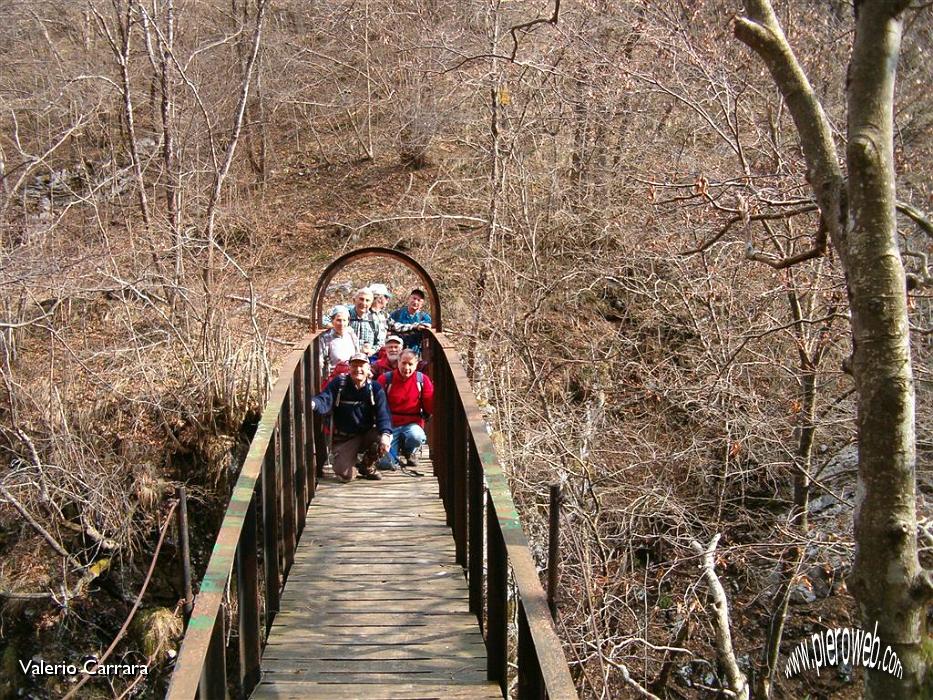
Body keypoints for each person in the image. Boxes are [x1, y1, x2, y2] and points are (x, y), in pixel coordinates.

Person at [310, 353, 392, 482]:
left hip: (366, 434)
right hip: (344, 437)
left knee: (380, 437)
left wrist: (386, 435)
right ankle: (351, 462)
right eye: (354, 366)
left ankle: (367, 465)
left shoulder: (375, 388)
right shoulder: (339, 383)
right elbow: (325, 399)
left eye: (362, 366)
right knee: (345, 475)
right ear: (349, 368)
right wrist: (313, 403)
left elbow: (383, 413)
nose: (358, 369)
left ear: (368, 368)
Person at [377, 349, 434, 469]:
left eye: (410, 364)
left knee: (416, 436)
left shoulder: (422, 380)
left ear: (416, 364)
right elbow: (378, 406)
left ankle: (409, 451)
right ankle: (394, 452)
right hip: (390, 426)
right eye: (403, 363)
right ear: (398, 362)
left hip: (412, 423)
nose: (406, 367)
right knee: (386, 464)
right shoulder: (385, 379)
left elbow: (430, 406)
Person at [320, 306, 360, 378]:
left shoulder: (352, 335)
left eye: (344, 320)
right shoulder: (326, 338)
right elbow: (320, 361)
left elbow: (357, 354)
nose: (342, 324)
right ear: (332, 321)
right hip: (334, 377)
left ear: (348, 321)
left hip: (352, 375)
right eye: (338, 320)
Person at [389, 289, 432, 354]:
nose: (415, 302)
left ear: (422, 304)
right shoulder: (397, 314)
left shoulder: (424, 317)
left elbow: (429, 326)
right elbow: (389, 326)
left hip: (415, 352)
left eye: (419, 300)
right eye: (414, 298)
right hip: (397, 351)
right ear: (409, 299)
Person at [347, 287, 382, 354]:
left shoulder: (375, 319)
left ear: (371, 303)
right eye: (361, 299)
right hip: (347, 356)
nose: (364, 303)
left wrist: (372, 351)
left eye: (367, 300)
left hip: (366, 358)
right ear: (354, 300)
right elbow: (325, 320)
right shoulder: (346, 315)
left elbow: (380, 342)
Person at [368, 283, 391, 354]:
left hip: (381, 354)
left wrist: (415, 326)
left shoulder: (385, 315)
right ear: (380, 298)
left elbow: (396, 326)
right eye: (386, 297)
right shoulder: (364, 314)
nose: (388, 300)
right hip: (368, 353)